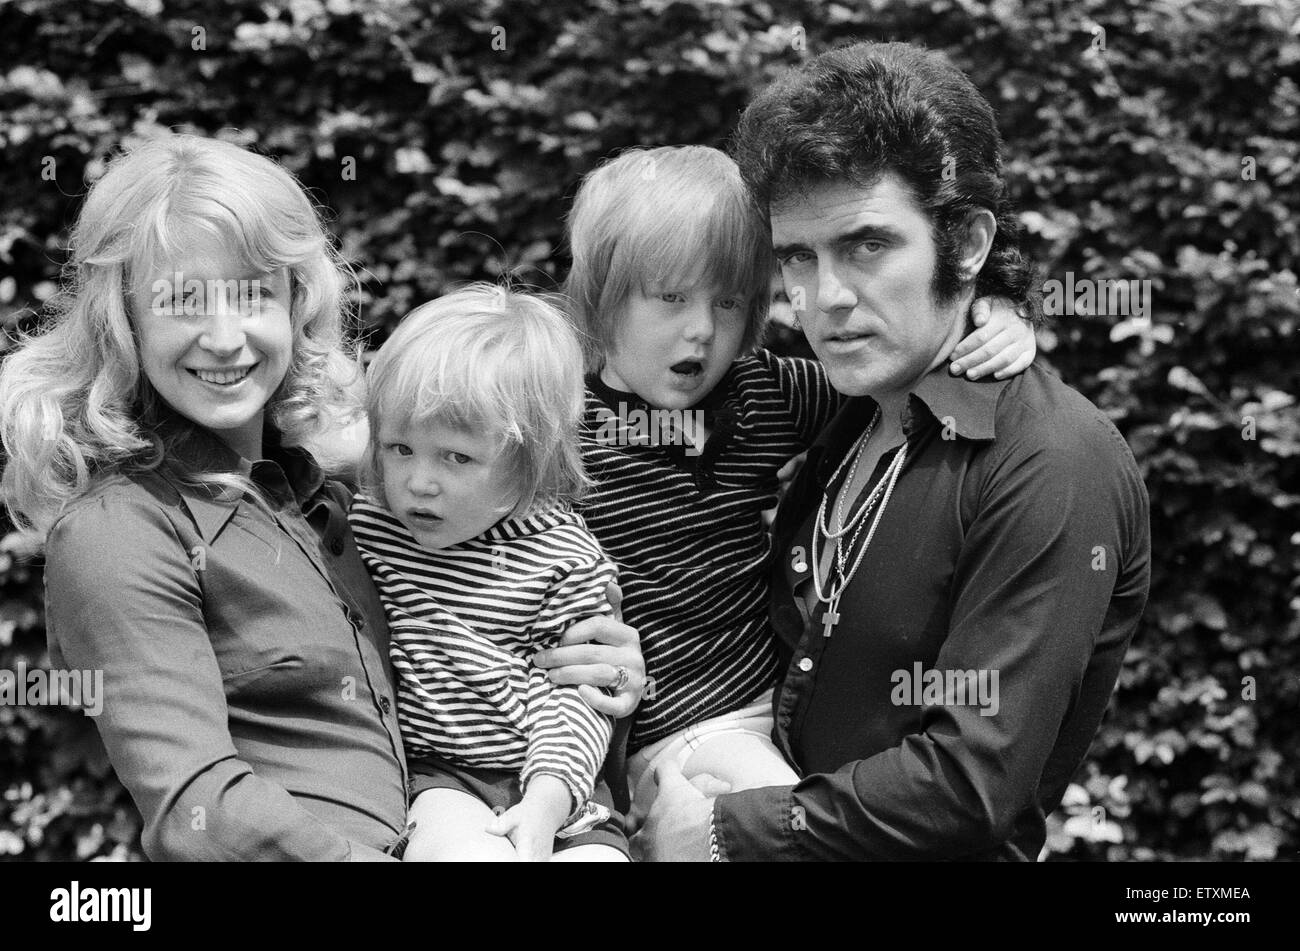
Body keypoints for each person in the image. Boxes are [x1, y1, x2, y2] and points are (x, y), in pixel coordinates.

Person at [0, 132, 644, 861]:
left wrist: (596, 674)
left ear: (296, 303)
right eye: (182, 301)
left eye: (252, 296)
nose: (223, 336)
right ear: (125, 321)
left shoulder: (343, 505)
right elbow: (195, 808)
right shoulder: (120, 528)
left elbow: (486, 663)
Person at [638, 42, 1151, 861]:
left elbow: (968, 784)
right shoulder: (846, 410)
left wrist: (725, 832)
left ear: (968, 243)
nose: (825, 297)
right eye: (797, 257)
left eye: (868, 245)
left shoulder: (1053, 460)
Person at [562, 145, 1038, 827]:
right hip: (612, 734)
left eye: (729, 302)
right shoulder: (553, 418)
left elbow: (894, 371)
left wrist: (995, 313)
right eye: (670, 298)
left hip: (749, 714)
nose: (702, 329)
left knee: (796, 823)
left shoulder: (760, 394)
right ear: (602, 295)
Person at [347, 284, 628, 862]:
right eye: (400, 448)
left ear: (531, 459)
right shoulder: (372, 528)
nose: (418, 482)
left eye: (456, 457)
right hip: (440, 776)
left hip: (558, 780)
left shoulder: (565, 558)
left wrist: (548, 802)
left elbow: (580, 694)